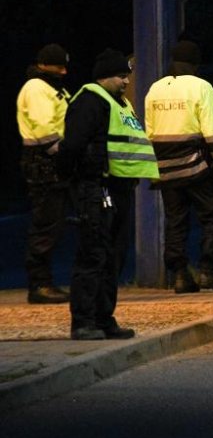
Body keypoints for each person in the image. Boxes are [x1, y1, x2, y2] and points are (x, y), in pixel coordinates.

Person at [57, 49, 159, 340]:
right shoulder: (90, 101)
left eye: (127, 75)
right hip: (95, 187)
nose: (126, 81)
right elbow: (73, 146)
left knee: (114, 256)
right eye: (121, 76)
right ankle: (84, 322)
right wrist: (72, 180)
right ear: (104, 76)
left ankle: (104, 318)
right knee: (93, 255)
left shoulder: (120, 103)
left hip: (119, 188)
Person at [144, 40, 213, 293]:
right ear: (196, 64)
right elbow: (212, 128)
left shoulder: (155, 89)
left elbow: (149, 130)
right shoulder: (201, 87)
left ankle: (181, 275)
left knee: (175, 221)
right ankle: (207, 271)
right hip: (196, 167)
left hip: (165, 168)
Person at [16, 44, 73, 304]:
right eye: (59, 66)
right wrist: (60, 152)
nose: (64, 71)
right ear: (45, 65)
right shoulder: (37, 88)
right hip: (44, 159)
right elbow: (44, 126)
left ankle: (43, 281)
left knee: (53, 221)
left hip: (49, 159)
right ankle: (39, 284)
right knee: (46, 221)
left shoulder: (50, 86)